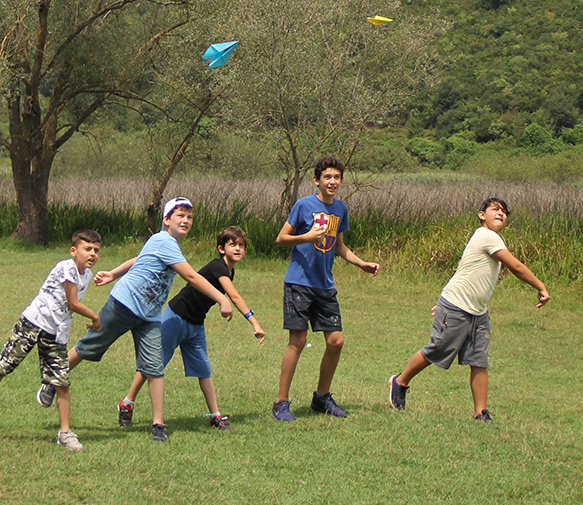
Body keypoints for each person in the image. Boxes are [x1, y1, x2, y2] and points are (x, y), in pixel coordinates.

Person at [71, 197, 234, 443]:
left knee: (154, 368)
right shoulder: (163, 240)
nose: (186, 220)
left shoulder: (163, 244)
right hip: (124, 304)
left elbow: (139, 259)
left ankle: (158, 424)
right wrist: (221, 299)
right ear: (166, 220)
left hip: (148, 315)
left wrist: (113, 273)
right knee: (90, 345)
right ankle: (53, 378)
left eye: (189, 217)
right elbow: (190, 275)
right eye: (180, 215)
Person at [387, 198, 550, 422]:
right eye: (495, 210)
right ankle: (400, 381)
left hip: (478, 311)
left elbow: (467, 270)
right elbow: (516, 267)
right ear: (482, 214)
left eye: (504, 212)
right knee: (438, 349)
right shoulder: (486, 236)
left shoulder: (493, 239)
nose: (501, 214)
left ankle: (480, 412)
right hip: (457, 306)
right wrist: (540, 287)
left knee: (479, 359)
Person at [0, 229, 103, 451]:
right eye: (87, 249)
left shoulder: (87, 275)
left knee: (61, 382)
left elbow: (68, 309)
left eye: (96, 250)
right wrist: (95, 316)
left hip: (56, 333)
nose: (92, 254)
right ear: (74, 251)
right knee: (4, 365)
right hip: (33, 322)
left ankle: (65, 433)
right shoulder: (66, 268)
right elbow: (73, 303)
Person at [118, 225, 265, 431]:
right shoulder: (218, 267)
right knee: (154, 364)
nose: (238, 249)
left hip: (196, 324)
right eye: (233, 245)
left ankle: (215, 416)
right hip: (176, 316)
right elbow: (234, 296)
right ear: (221, 248)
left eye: (242, 245)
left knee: (204, 369)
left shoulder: (229, 272)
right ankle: (127, 402)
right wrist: (254, 323)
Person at [272, 157, 380, 421]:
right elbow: (281, 238)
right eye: (327, 177)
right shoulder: (303, 205)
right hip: (299, 282)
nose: (332, 181)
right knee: (297, 342)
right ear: (317, 180)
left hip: (325, 285)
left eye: (337, 177)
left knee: (336, 340)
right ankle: (281, 403)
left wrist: (361, 263)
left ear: (342, 181)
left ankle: (321, 397)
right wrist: (305, 237)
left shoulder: (340, 209)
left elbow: (339, 246)